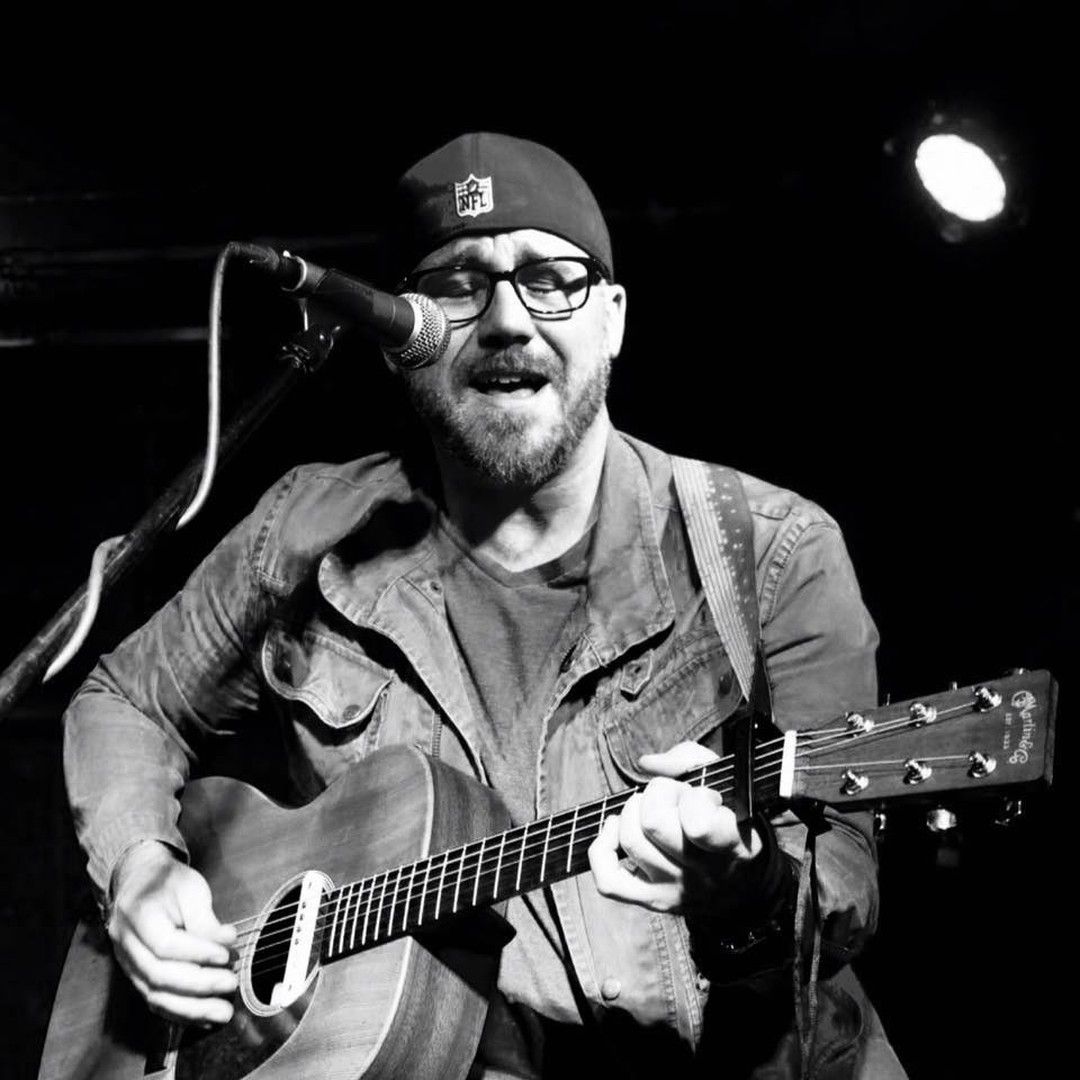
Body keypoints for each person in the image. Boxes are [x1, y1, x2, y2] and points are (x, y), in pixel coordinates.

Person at [64, 132, 905, 1078]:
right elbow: (124, 699)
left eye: (552, 278)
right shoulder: (308, 526)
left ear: (615, 319)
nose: (506, 319)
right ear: (397, 336)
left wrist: (738, 892)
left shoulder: (770, 551)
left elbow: (837, 896)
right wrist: (141, 863)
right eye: (458, 284)